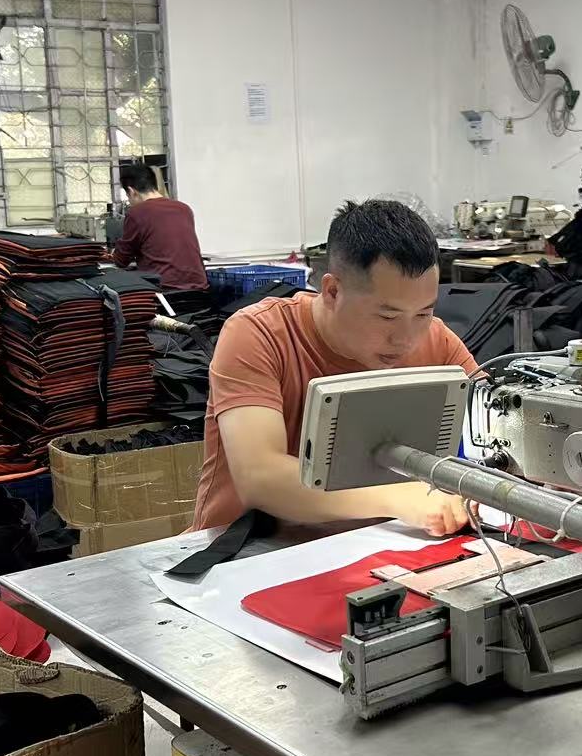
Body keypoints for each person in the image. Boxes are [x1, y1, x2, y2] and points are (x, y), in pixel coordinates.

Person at [193, 199, 473, 535]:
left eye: (424, 313)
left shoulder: (437, 341)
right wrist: (395, 498)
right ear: (332, 291)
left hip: (382, 544)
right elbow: (261, 478)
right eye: (387, 316)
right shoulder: (259, 335)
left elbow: (498, 420)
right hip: (250, 548)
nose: (406, 339)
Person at [110, 162, 209, 296]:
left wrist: (114, 253)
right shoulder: (183, 209)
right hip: (200, 289)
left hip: (165, 291)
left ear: (132, 191)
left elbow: (121, 260)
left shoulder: (137, 213)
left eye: (128, 197)